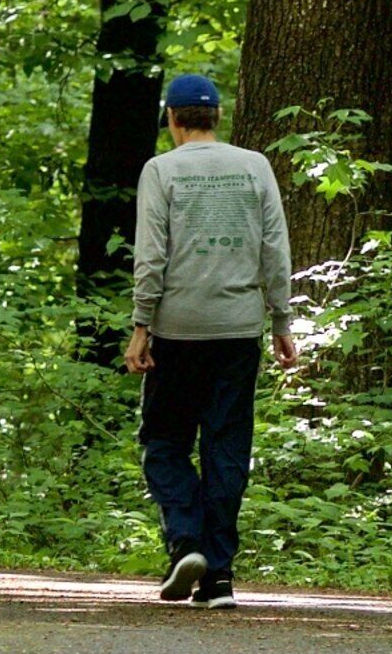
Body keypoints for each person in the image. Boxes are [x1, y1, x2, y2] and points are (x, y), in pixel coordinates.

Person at [126, 73, 295, 605]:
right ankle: (219, 574)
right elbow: (275, 248)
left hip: (177, 329)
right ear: (217, 116)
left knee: (165, 443)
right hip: (239, 329)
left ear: (172, 120)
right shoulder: (254, 166)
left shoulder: (161, 170)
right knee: (226, 446)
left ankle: (186, 544)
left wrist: (140, 325)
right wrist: (282, 321)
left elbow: (151, 255)